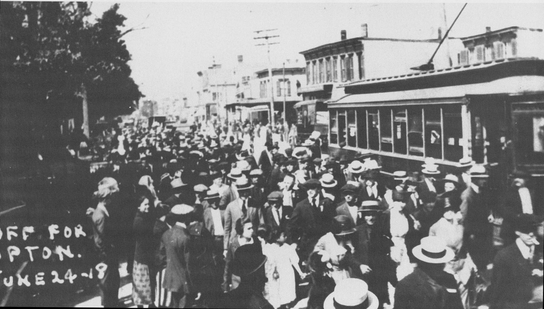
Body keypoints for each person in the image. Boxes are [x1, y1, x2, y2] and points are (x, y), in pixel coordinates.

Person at [489, 214, 543, 309]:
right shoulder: (505, 257)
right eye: (526, 230)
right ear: (517, 232)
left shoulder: (538, 253)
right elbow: (498, 295)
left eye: (533, 230)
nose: (531, 234)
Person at [394, 236, 464, 309]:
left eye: (440, 263)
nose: (439, 266)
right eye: (434, 264)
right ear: (423, 262)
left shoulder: (449, 279)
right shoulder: (406, 285)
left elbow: (458, 306)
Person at [91, 177, 122, 307]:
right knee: (107, 282)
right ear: (106, 199)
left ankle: (113, 302)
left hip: (109, 253)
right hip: (106, 256)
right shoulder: (101, 215)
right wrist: (106, 257)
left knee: (113, 279)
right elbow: (99, 240)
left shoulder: (102, 211)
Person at [288, 179, 336, 263]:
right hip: (308, 244)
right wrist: (294, 242)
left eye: (312, 188)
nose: (309, 191)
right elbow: (292, 226)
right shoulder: (301, 206)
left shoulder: (327, 203)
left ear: (318, 189)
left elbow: (333, 222)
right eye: (307, 189)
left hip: (326, 243)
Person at [158, 204, 194, 308]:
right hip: (184, 280)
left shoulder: (166, 234)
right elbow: (188, 263)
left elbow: (161, 256)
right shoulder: (186, 237)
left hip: (170, 279)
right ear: (186, 217)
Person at [262, 226, 306, 309]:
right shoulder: (268, 248)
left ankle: (286, 305)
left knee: (285, 292)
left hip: (286, 274)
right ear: (276, 237)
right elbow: (266, 263)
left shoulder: (288, 248)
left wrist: (300, 273)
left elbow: (294, 262)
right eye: (283, 235)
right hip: (274, 274)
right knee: (274, 292)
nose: (285, 237)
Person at [221, 241, 273, 309]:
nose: (265, 279)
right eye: (262, 271)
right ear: (257, 276)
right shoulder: (263, 305)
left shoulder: (226, 299)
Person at [132, 190, 156, 308]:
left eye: (148, 204)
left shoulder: (143, 217)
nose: (148, 207)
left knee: (144, 285)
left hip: (143, 256)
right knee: (143, 286)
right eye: (145, 204)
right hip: (143, 258)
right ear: (138, 205)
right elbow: (146, 242)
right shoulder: (139, 221)